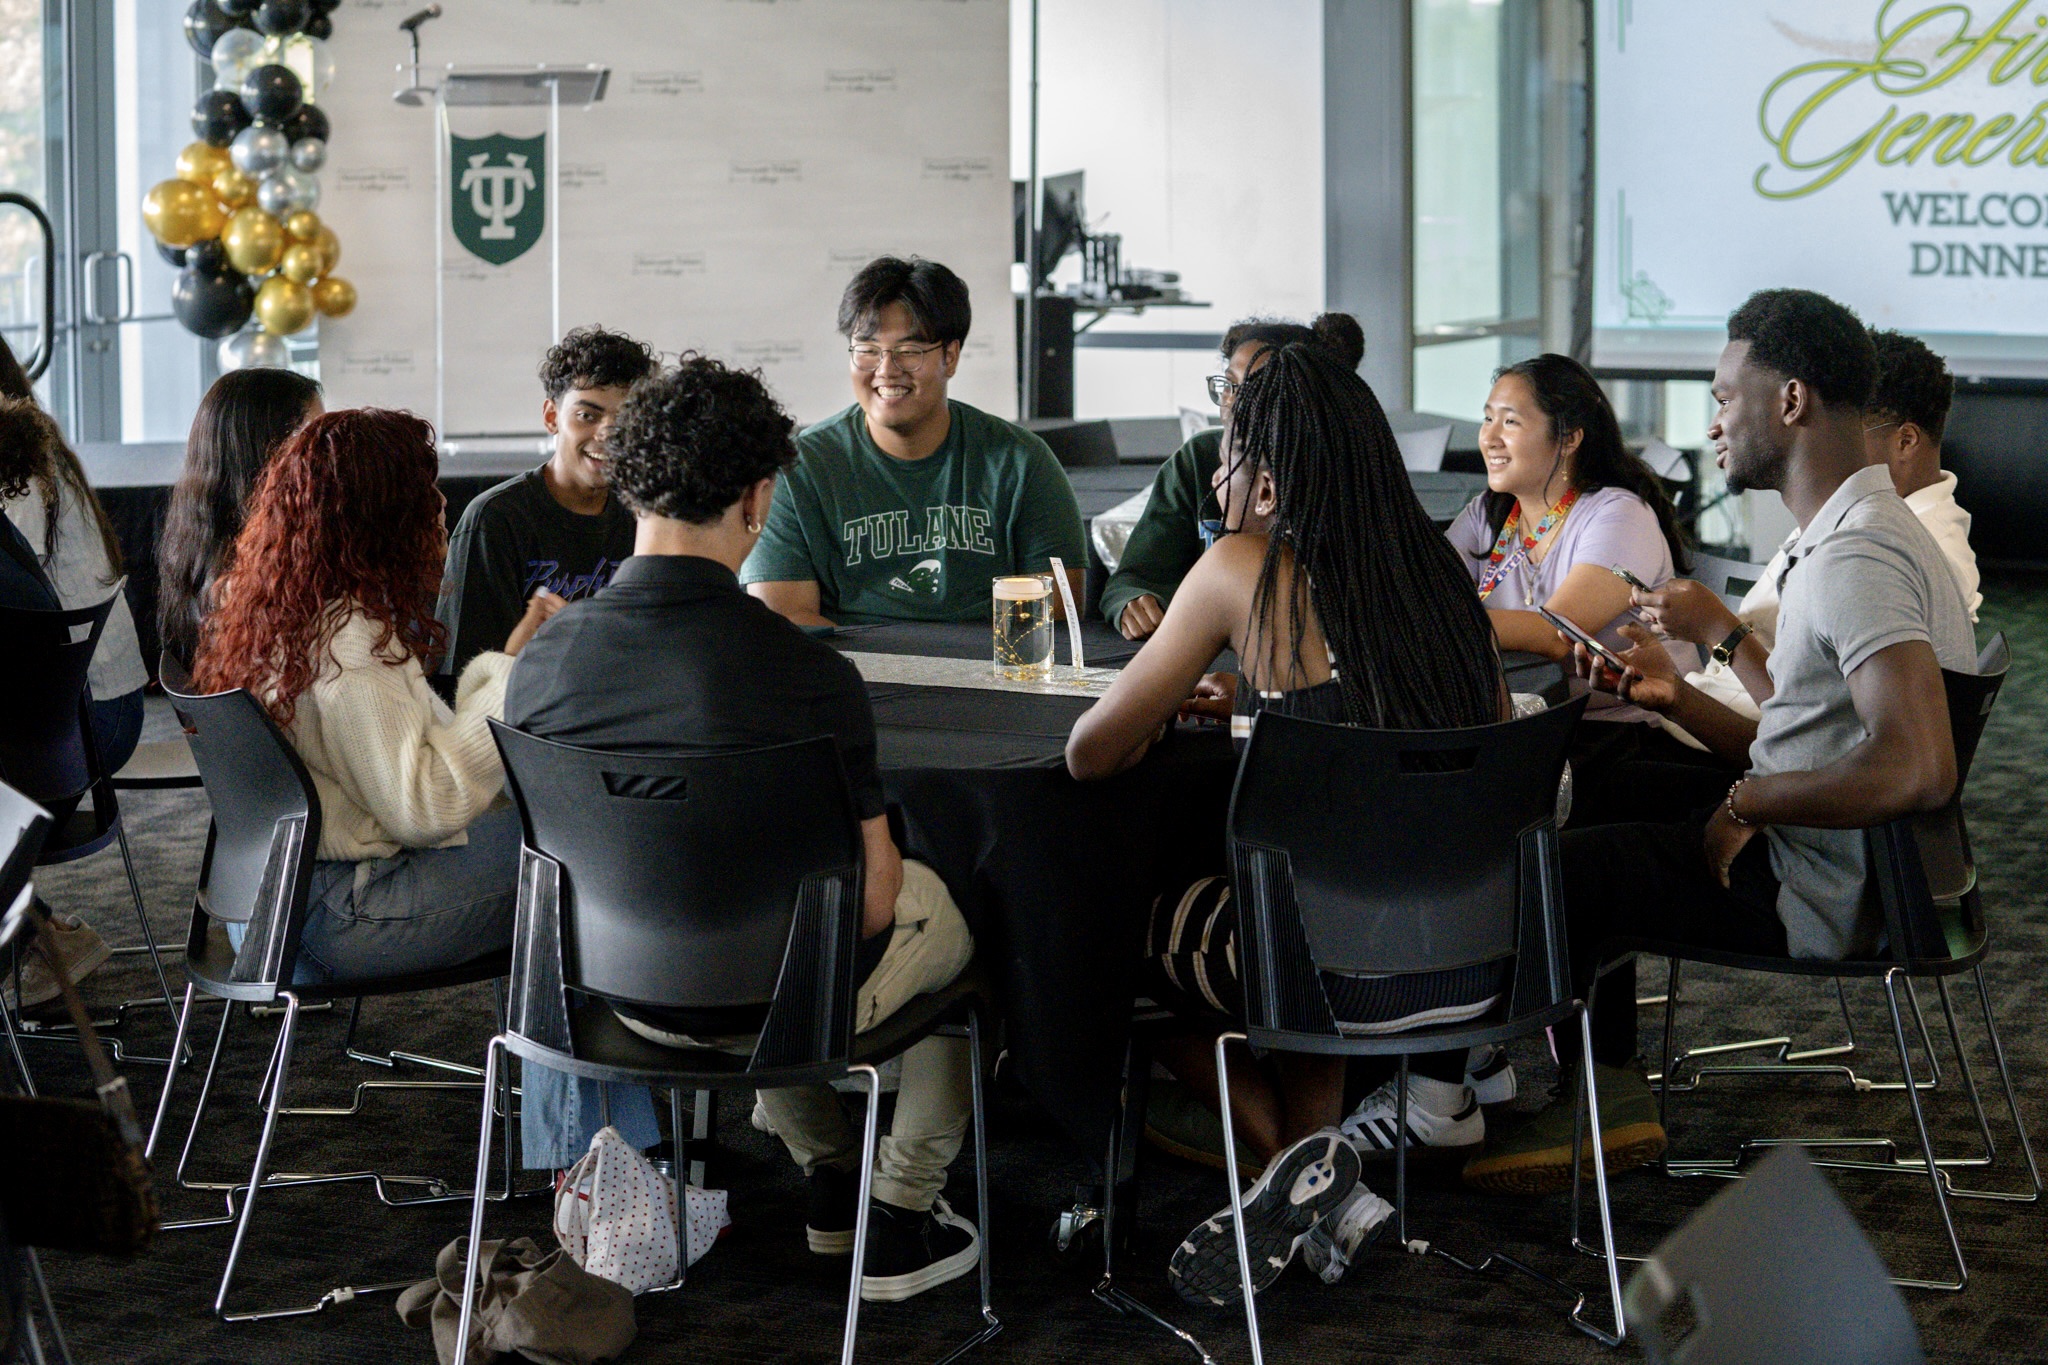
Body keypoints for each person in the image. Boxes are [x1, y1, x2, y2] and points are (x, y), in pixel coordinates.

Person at [1462, 289, 1976, 1196]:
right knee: (1602, 798)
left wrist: (1749, 801)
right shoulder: (1855, 532)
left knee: (1562, 871)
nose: (1712, 424)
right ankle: (1582, 1085)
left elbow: (1916, 763)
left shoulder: (1858, 554)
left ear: (1791, 401)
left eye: (1724, 398)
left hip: (1818, 883)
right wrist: (1707, 685)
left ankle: (1497, 1090)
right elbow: (1815, 723)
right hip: (1846, 858)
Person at [505, 356, 983, 1304]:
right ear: (759, 499)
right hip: (777, 1005)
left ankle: (827, 1167)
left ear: (630, 483)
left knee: (778, 915)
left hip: (616, 1002)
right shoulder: (810, 678)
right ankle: (897, 1206)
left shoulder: (542, 661)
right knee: (955, 920)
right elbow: (877, 901)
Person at [1067, 342, 1509, 1304]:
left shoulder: (1241, 567)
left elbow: (1090, 753)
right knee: (1309, 887)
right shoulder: (1433, 568)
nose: (1216, 478)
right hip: (1478, 961)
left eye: (1226, 457)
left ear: (1266, 485)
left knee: (1101, 931)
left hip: (1325, 970)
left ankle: (1303, 1170)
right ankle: (1321, 1180)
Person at [190, 408, 565, 986]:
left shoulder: (279, 607)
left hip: (269, 906)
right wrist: (519, 676)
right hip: (342, 921)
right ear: (383, 518)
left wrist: (511, 664)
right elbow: (426, 806)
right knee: (584, 850)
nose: (441, 508)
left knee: (553, 831)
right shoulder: (347, 642)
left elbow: (406, 759)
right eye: (426, 494)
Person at [742, 256, 1086, 625]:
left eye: (909, 352)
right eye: (868, 350)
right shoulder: (799, 469)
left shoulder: (1020, 460)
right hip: (860, 675)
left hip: (991, 669)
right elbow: (785, 619)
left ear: (950, 357)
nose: (886, 369)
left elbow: (1061, 606)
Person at [1099, 313, 1366, 640]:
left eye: (1253, 386)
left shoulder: (1340, 466)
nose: (1230, 399)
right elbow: (1133, 576)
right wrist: (1130, 600)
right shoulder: (1199, 460)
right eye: (1228, 383)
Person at [1445, 354, 1690, 674]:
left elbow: (1557, 636)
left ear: (1569, 438)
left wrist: (1438, 623)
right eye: (1488, 419)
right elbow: (1426, 593)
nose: (1489, 439)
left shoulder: (1620, 515)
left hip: (1619, 719)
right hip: (1529, 709)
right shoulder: (1486, 512)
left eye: (1510, 422)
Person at [436, 326, 656, 679]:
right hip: (519, 724)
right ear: (552, 417)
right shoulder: (494, 520)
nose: (608, 434)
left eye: (627, 419)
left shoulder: (647, 517)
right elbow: (463, 678)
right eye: (587, 415)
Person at [158, 367, 324, 669]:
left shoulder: (201, 542)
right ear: (269, 447)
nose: (325, 451)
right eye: (314, 436)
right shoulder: (264, 566)